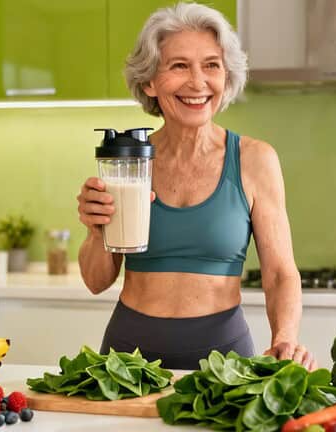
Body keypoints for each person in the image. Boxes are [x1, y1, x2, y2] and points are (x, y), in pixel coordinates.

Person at [76, 2, 316, 370]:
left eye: (211, 65)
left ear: (227, 77)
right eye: (179, 66)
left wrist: (285, 336)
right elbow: (95, 282)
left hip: (225, 360)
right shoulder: (128, 162)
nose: (198, 82)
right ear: (149, 82)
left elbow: (281, 273)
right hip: (127, 361)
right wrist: (96, 233)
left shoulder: (254, 159)